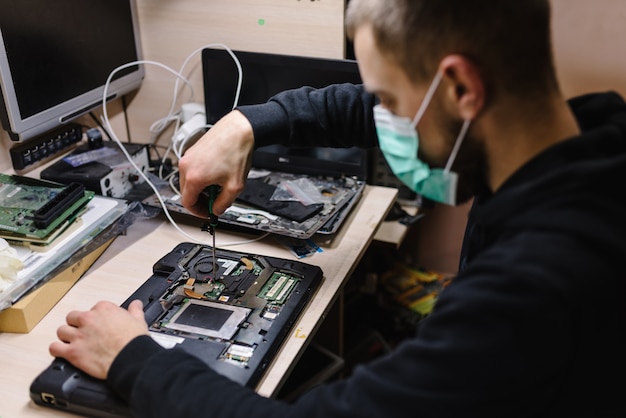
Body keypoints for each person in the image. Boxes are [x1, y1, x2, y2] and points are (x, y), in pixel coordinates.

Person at [50, 0, 626, 416]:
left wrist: (134, 359)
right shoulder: (592, 135)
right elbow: (355, 105)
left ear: (461, 89)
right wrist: (247, 123)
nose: (383, 118)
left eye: (394, 102)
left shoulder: (539, 286)